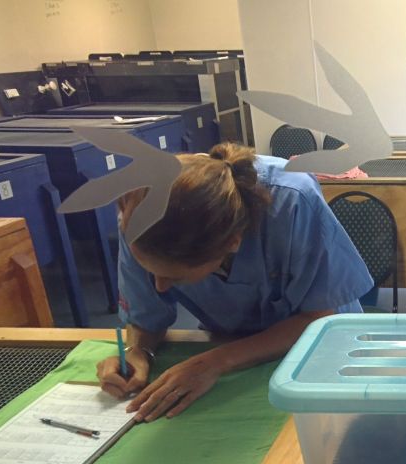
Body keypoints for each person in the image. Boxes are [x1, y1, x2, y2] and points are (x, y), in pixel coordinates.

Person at [97, 143, 373, 422]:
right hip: (230, 345)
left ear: (233, 243)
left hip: (323, 349)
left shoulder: (293, 200)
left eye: (175, 278)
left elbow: (319, 320)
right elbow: (146, 317)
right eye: (151, 271)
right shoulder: (140, 219)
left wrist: (215, 362)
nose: (159, 286)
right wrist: (139, 350)